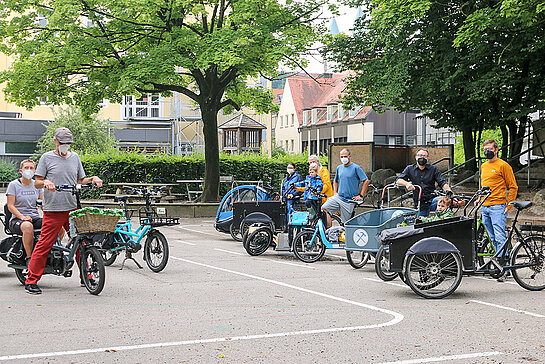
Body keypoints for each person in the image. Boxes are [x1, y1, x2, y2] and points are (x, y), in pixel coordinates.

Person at [24, 127, 103, 295]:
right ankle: (31, 280)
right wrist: (46, 182)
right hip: (53, 209)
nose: (65, 146)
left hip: (72, 208)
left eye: (68, 143)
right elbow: (37, 182)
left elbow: (81, 179)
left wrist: (93, 178)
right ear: (56, 142)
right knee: (45, 244)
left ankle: (86, 276)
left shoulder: (75, 158)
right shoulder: (47, 157)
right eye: (62, 143)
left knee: (81, 242)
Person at [480, 139, 518, 279]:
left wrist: (509, 204)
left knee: (500, 236)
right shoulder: (484, 166)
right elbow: (483, 185)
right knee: (491, 238)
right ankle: (498, 265)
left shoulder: (504, 165)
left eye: (489, 149)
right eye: (485, 149)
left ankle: (505, 266)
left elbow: (513, 186)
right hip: (485, 206)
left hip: (498, 206)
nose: (487, 151)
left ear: (496, 150)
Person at [6, 159, 44, 261]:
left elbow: (43, 203)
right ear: (21, 171)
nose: (29, 170)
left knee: (56, 225)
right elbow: (10, 206)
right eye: (26, 168)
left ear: (35, 171)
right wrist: (22, 217)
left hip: (34, 217)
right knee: (28, 226)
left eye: (31, 168)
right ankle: (30, 258)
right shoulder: (13, 185)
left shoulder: (37, 185)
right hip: (17, 220)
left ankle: (49, 252)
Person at [396, 149, 453, 217]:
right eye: (420, 155)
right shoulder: (409, 168)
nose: (422, 158)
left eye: (424, 156)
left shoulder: (433, 169)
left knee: (442, 202)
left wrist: (449, 191)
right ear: (416, 157)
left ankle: (440, 221)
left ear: (427, 158)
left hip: (432, 199)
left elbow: (442, 182)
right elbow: (398, 180)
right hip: (419, 202)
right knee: (420, 221)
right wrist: (407, 184)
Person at [322, 148, 369, 226]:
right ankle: (329, 233)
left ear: (349, 156)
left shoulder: (356, 168)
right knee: (324, 209)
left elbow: (366, 181)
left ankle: (345, 236)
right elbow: (335, 180)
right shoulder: (339, 168)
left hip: (349, 200)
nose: (343, 158)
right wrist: (335, 192)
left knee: (346, 224)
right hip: (339, 197)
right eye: (341, 156)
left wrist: (361, 196)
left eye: (345, 156)